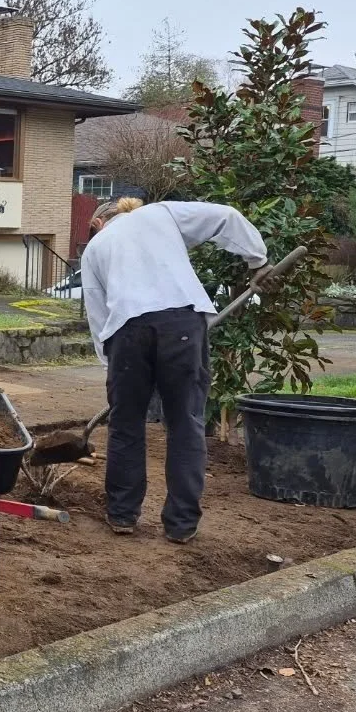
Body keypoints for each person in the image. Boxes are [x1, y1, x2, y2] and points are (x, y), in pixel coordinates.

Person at [80, 197, 269, 544]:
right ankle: (181, 524)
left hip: (126, 331)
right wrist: (257, 259)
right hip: (182, 321)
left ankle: (122, 515)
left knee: (125, 425)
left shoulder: (96, 248)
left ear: (101, 222)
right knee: (185, 422)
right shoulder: (162, 214)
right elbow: (226, 215)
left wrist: (113, 367)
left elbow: (97, 312)